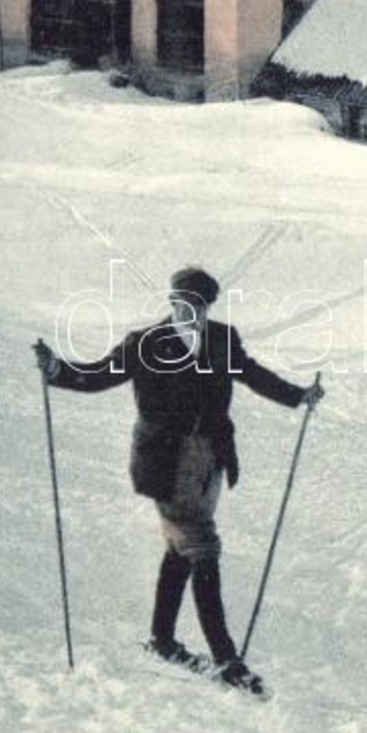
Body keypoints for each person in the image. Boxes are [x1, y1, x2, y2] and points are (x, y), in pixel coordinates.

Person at [33, 266, 323, 695]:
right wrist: (57, 370)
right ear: (172, 302)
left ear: (207, 307)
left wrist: (298, 395)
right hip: (166, 464)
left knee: (181, 548)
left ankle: (163, 640)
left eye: (198, 306)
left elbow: (253, 374)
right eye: (182, 303)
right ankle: (227, 660)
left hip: (210, 463)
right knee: (202, 547)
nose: (189, 312)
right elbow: (99, 376)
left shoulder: (224, 339)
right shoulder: (147, 343)